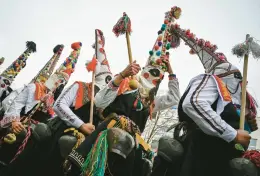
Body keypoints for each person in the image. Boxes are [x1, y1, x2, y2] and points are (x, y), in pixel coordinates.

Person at [153, 24, 258, 176]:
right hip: (202, 156)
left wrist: (247, 126)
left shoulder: (235, 102)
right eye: (236, 77)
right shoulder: (210, 79)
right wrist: (233, 134)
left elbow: (236, 128)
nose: (242, 83)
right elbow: (194, 103)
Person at [0, 42, 82, 175]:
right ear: (54, 77)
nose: (59, 83)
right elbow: (15, 103)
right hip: (19, 125)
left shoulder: (54, 100)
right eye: (59, 79)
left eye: (63, 82)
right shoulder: (34, 87)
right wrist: (15, 121)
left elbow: (51, 117)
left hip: (36, 134)